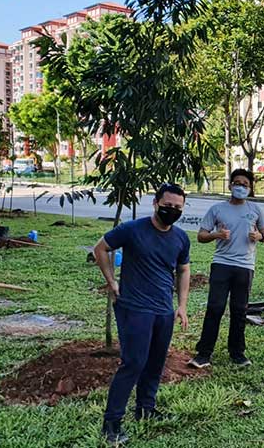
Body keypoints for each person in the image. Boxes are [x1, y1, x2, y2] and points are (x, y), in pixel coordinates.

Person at [93, 183, 191, 445]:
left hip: (163, 309)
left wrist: (181, 305)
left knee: (156, 362)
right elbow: (100, 248)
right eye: (167, 206)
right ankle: (111, 424)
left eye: (177, 208)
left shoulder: (181, 237)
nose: (172, 211)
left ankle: (146, 410)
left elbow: (183, 270)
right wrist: (112, 281)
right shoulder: (132, 229)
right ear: (156, 203)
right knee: (134, 363)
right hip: (134, 308)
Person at [188, 169, 264, 369]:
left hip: (245, 266)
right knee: (215, 308)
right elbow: (201, 235)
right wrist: (216, 235)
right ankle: (204, 354)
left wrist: (260, 236)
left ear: (250, 188)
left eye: (244, 184)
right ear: (230, 185)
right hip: (222, 264)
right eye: (236, 183)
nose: (240, 187)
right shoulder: (217, 209)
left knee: (239, 310)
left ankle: (237, 354)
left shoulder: (255, 209)